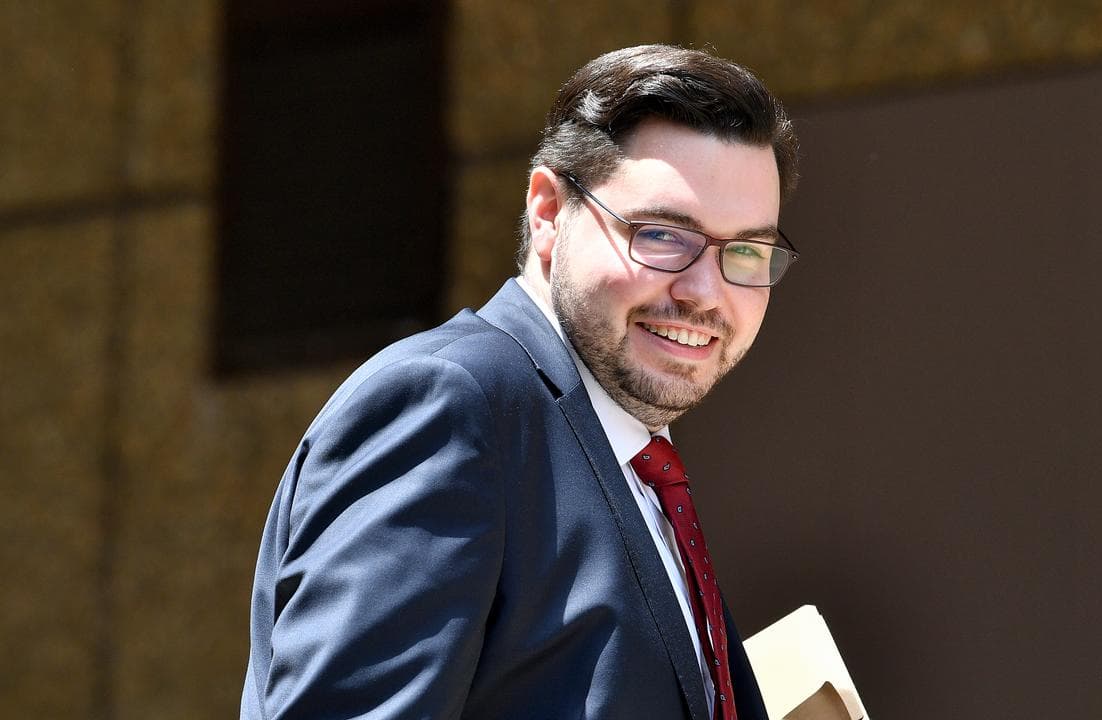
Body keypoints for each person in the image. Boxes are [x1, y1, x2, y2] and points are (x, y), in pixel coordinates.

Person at [241, 44, 801, 720]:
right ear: (546, 213)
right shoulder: (451, 406)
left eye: (745, 251)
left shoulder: (633, 466)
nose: (704, 292)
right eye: (661, 235)